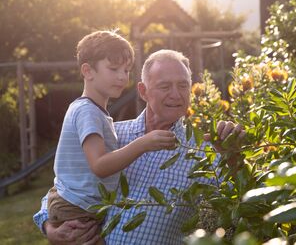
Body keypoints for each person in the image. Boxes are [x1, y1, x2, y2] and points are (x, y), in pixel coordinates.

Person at [34, 49, 245, 244]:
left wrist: (233, 157)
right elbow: (64, 185)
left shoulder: (202, 151)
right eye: (165, 86)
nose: (176, 94)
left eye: (183, 86)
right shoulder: (112, 135)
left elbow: (242, 202)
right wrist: (50, 228)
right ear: (143, 92)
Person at [45, 32, 179, 243]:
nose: (122, 77)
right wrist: (143, 144)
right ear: (88, 71)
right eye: (113, 69)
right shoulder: (87, 112)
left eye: (126, 70)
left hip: (82, 204)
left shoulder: (97, 113)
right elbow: (99, 165)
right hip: (77, 208)